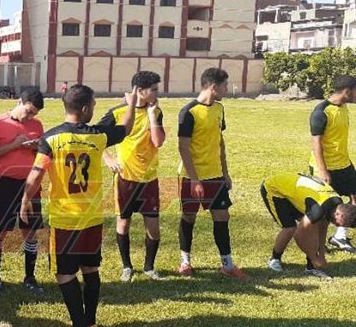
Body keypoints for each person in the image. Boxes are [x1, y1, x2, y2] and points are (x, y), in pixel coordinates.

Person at [21, 84, 134, 327]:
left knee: (65, 274)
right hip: (92, 217)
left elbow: (36, 175)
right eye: (93, 105)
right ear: (84, 109)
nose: (94, 109)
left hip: (66, 220)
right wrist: (131, 105)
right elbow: (126, 128)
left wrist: (25, 199)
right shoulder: (99, 136)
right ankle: (90, 322)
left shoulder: (50, 139)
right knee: (90, 268)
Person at [177, 68, 246, 279]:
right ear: (214, 86)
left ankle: (227, 264)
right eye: (224, 85)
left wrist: (225, 172)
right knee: (189, 216)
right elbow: (183, 147)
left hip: (215, 175)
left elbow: (219, 141)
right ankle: (185, 262)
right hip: (192, 176)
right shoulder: (188, 112)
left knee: (222, 216)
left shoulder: (219, 109)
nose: (226, 89)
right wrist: (194, 179)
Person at [98, 71, 165, 282]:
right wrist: (108, 158)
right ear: (140, 91)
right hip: (125, 178)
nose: (157, 93)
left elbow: (158, 142)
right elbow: (94, 136)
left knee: (153, 227)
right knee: (123, 224)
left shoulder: (156, 111)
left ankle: (149, 267)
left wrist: (152, 116)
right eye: (154, 89)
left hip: (149, 179)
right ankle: (127, 267)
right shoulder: (118, 112)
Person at [0, 89, 45, 295]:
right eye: (28, 111)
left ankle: (30, 277)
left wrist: (35, 147)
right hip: (5, 184)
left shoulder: (37, 125)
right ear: (19, 102)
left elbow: (43, 152)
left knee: (31, 232)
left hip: (31, 185)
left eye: (34, 114)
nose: (30, 117)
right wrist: (14, 145)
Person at [262, 172, 356, 280]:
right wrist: (314, 258)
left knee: (313, 226)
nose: (336, 225)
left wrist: (321, 255)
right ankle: (274, 259)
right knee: (290, 228)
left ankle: (311, 267)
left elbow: (322, 230)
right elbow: (299, 234)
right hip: (274, 189)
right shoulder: (319, 210)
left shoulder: (336, 204)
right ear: (339, 214)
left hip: (295, 190)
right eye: (338, 224)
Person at [308, 75, 356, 252]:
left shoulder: (343, 107)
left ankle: (340, 236)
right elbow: (316, 143)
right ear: (347, 91)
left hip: (344, 164)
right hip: (326, 168)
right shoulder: (321, 112)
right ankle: (318, 245)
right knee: (326, 209)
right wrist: (323, 170)